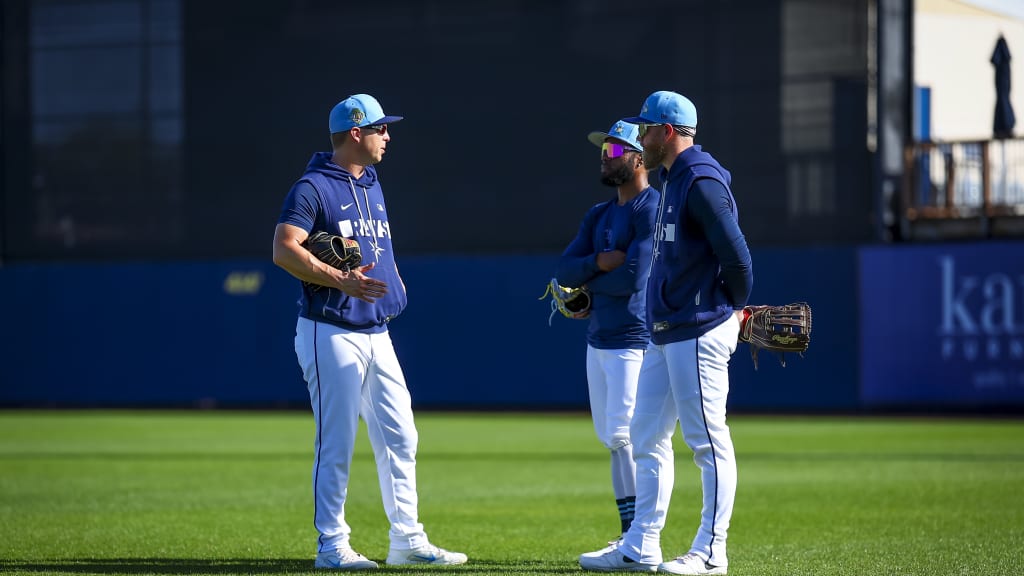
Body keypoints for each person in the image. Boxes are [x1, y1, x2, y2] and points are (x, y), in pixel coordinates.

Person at [272, 93, 467, 570]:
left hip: (376, 331)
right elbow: (283, 249)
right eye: (380, 128)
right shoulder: (312, 187)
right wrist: (340, 278)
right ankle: (331, 546)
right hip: (329, 328)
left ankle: (407, 539)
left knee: (401, 435)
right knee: (336, 441)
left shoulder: (371, 183)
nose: (388, 135)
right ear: (355, 133)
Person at [579, 91, 753, 575]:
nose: (642, 136)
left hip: (698, 328)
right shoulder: (674, 179)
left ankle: (712, 551)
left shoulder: (699, 180)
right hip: (666, 330)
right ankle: (641, 545)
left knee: (706, 441)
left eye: (648, 129)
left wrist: (730, 311)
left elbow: (738, 258)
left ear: (668, 133)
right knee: (645, 434)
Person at [555, 120, 659, 549]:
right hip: (599, 339)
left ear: (638, 158)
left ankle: (639, 537)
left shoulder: (651, 207)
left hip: (634, 341)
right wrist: (600, 263)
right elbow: (564, 271)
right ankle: (627, 534)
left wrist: (590, 277)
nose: (605, 156)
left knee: (629, 439)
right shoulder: (599, 214)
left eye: (615, 151)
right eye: (603, 150)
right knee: (614, 441)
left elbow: (634, 278)